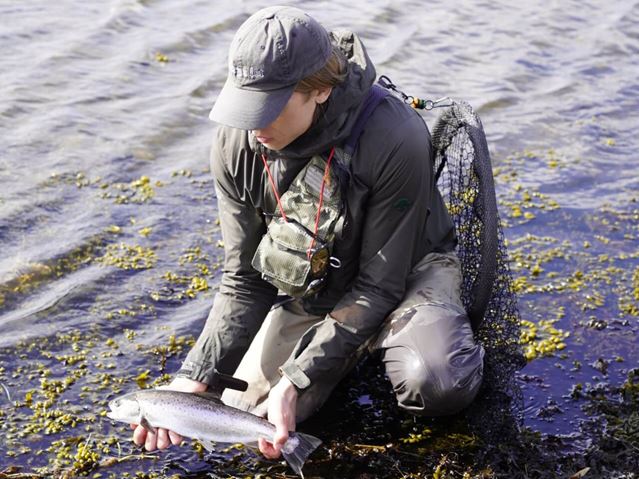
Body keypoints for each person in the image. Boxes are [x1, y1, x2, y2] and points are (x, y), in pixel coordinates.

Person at [132, 5, 485, 460]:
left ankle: (431, 342)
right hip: (318, 284)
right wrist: (194, 379)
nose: (254, 126)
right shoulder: (236, 143)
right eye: (245, 104)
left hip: (409, 271)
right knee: (251, 418)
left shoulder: (396, 135)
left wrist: (297, 377)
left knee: (436, 381)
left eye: (269, 107)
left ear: (319, 91)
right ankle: (340, 357)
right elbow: (244, 280)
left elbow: (380, 286)